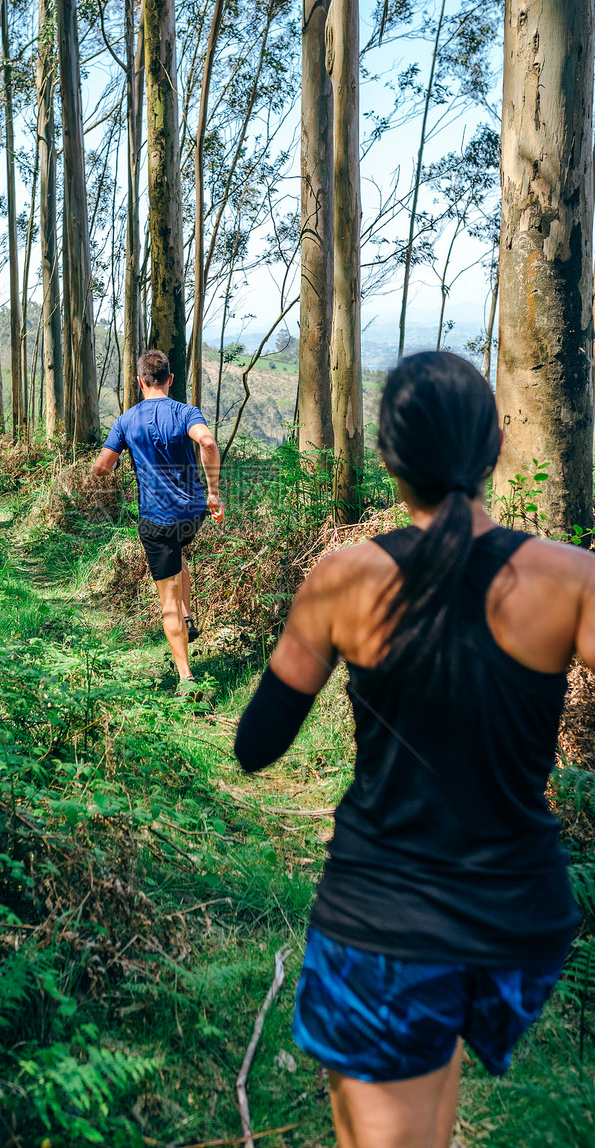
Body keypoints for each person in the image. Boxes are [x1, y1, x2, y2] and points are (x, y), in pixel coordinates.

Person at [234, 351, 588, 1148]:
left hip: (387, 922)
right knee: (427, 1092)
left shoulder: (344, 579)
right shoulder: (573, 579)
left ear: (390, 459)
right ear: (494, 446)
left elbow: (257, 746)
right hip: (516, 929)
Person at [91, 349, 224, 690]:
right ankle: (190, 617)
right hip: (193, 513)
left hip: (156, 519)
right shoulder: (185, 412)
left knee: (167, 598)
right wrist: (213, 493)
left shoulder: (126, 420)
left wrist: (119, 462)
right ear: (170, 379)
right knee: (176, 554)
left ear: (139, 382)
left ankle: (186, 678)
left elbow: (101, 468)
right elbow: (207, 442)